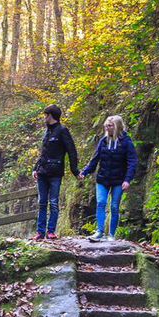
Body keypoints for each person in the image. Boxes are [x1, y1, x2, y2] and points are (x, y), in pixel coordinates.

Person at [78, 115, 138, 242]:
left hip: (119, 179)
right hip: (103, 178)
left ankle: (111, 234)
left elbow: (132, 162)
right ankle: (99, 232)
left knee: (114, 206)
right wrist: (85, 172)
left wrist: (127, 180)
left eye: (110, 125)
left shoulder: (126, 142)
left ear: (117, 127)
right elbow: (95, 159)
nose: (107, 127)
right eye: (106, 125)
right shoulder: (103, 141)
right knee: (101, 203)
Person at [32, 104, 79, 240]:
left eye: (46, 115)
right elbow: (43, 153)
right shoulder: (46, 132)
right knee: (42, 202)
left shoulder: (63, 131)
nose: (44, 117)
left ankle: (51, 231)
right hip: (42, 172)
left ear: (51, 116)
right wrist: (35, 168)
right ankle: (40, 232)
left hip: (55, 173)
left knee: (53, 202)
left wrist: (75, 170)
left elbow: (71, 151)